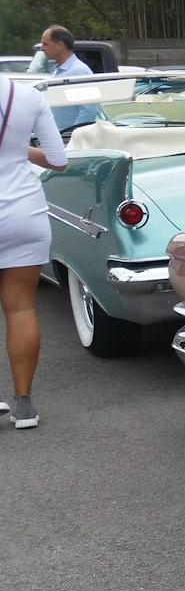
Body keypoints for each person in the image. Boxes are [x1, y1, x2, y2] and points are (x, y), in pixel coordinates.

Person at [0, 78, 70, 429]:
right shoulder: (27, 96)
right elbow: (58, 160)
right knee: (21, 307)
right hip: (22, 212)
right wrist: (16, 149)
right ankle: (23, 403)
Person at [38, 26, 99, 132]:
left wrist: (72, 135)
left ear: (60, 45)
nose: (42, 48)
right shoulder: (59, 71)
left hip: (70, 141)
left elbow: (88, 111)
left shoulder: (79, 72)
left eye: (45, 44)